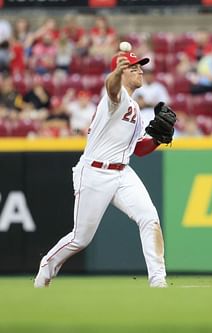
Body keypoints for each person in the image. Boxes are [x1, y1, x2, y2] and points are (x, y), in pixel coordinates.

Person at [34, 49, 172, 288]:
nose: (140, 70)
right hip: (95, 172)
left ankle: (158, 281)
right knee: (80, 238)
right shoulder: (114, 99)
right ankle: (47, 266)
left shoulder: (135, 109)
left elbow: (138, 149)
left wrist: (158, 140)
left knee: (149, 218)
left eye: (141, 66)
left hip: (122, 172)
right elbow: (111, 87)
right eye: (134, 67)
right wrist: (117, 73)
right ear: (121, 72)